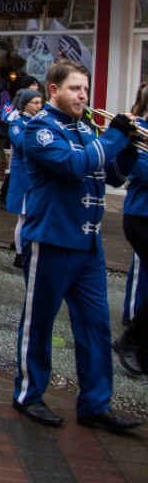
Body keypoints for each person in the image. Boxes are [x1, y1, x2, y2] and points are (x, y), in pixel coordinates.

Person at [13, 59, 141, 433]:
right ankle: (28, 394)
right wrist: (114, 137)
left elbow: (110, 174)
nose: (83, 96)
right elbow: (73, 167)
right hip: (50, 240)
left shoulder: (86, 130)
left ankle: (96, 404)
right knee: (38, 324)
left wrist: (128, 149)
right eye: (74, 88)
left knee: (96, 327)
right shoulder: (40, 129)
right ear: (53, 90)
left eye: (85, 89)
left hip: (88, 245)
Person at [112, 82, 148, 376]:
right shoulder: (139, 133)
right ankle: (130, 339)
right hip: (141, 216)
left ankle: (139, 344)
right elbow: (142, 171)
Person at [6, 89, 44, 268]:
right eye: (35, 103)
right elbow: (22, 144)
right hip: (23, 175)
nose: (39, 106)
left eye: (40, 103)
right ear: (25, 105)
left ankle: (33, 249)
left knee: (35, 214)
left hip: (37, 175)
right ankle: (20, 253)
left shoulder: (41, 122)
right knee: (23, 216)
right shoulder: (17, 123)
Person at [0, 76, 41, 209]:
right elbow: (7, 119)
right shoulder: (18, 101)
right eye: (33, 84)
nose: (36, 86)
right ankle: (3, 193)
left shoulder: (37, 102)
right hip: (19, 143)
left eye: (37, 84)